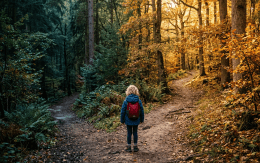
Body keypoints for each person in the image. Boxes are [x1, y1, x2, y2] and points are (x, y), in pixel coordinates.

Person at [120, 85, 144, 152]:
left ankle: (129, 147)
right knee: (135, 132)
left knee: (129, 133)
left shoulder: (126, 101)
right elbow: (141, 110)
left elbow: (123, 111)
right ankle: (135, 147)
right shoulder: (138, 101)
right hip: (136, 119)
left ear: (128, 91)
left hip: (128, 120)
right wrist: (142, 119)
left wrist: (122, 120)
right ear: (136, 91)